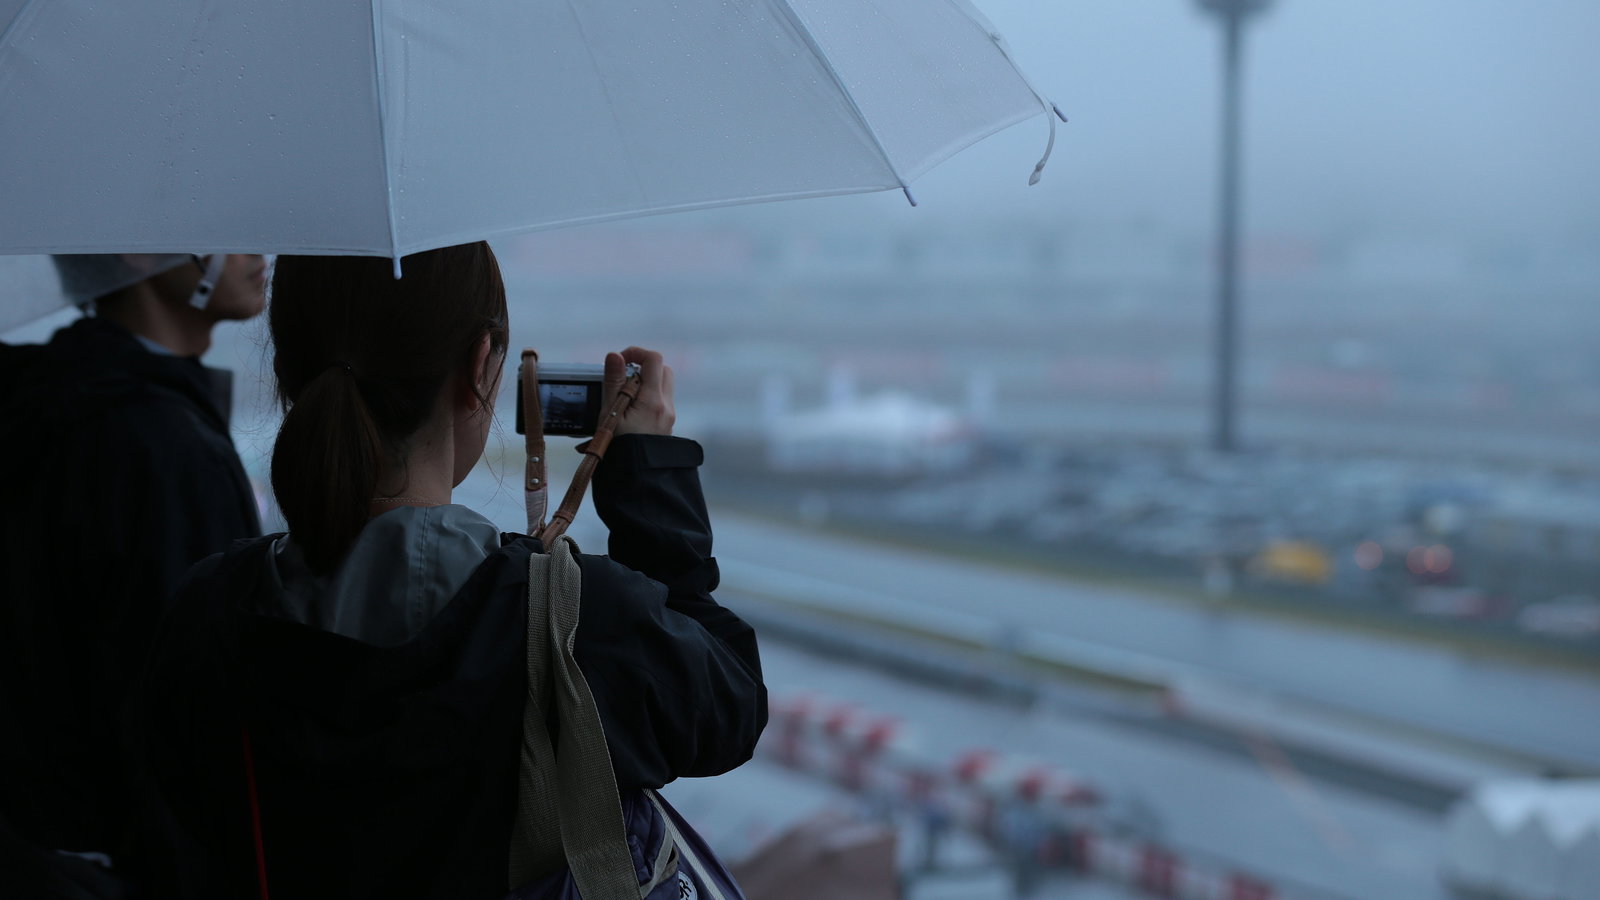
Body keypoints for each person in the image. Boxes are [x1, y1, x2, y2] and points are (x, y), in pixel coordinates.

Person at [124, 242, 766, 899]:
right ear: (479, 366)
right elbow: (731, 709)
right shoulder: (577, 622)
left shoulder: (208, 609)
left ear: (288, 368)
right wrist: (650, 477)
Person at [0, 253, 266, 890]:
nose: (258, 247)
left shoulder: (65, 394)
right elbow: (182, 720)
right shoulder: (155, 442)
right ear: (141, 254)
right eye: (219, 217)